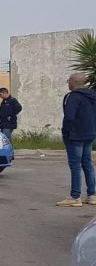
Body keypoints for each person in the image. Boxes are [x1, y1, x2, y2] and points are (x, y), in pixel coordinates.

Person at [57, 73, 96, 207]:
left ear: (73, 82)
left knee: (75, 166)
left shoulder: (72, 97)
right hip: (89, 134)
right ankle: (92, 195)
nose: (68, 83)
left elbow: (69, 117)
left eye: (68, 80)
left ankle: (75, 196)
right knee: (88, 164)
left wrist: (65, 132)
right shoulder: (93, 95)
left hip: (75, 136)